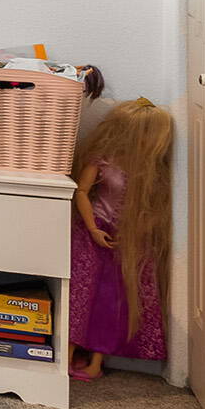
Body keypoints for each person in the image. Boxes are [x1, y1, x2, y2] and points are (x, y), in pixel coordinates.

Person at [68, 99, 174, 378]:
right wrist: (92, 228)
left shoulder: (152, 169)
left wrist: (139, 230)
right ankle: (66, 355)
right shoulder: (103, 158)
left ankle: (95, 362)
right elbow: (81, 192)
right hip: (94, 231)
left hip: (128, 242)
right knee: (80, 295)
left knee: (111, 301)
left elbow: (155, 207)